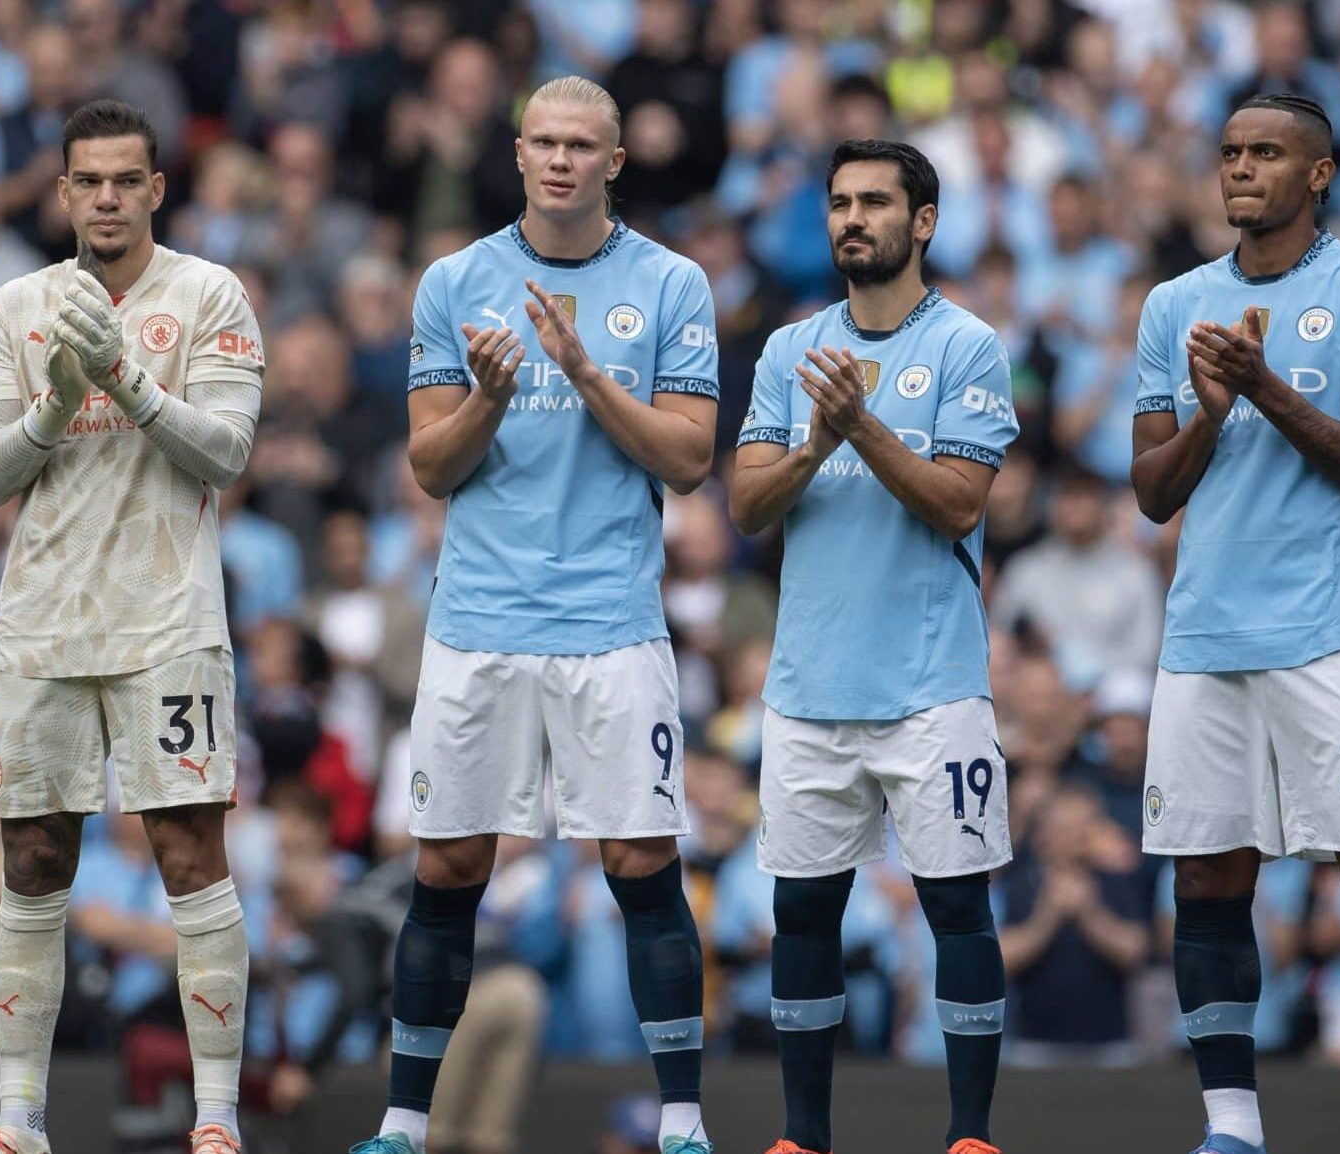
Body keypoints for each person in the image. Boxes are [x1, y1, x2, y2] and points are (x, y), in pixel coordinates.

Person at [351, 75, 720, 1154]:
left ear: (614, 160)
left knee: (640, 862)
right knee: (446, 867)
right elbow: (429, 466)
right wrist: (490, 398)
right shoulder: (456, 280)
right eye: (543, 142)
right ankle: (403, 1122)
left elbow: (690, 459)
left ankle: (683, 1121)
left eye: (580, 145)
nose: (559, 160)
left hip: (610, 619)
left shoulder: (668, 283)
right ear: (516, 153)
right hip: (478, 618)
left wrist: (583, 375)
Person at [1130, 94, 1340, 1154]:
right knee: (1207, 875)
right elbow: (1148, 490)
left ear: (1315, 173)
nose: (1239, 169)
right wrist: (1211, 414)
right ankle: (1230, 1126)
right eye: (1227, 153)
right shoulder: (1173, 302)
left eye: (1264, 153)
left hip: (1332, 631)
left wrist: (1261, 388)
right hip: (1203, 637)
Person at [0, 98, 265, 1154]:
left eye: (124, 179)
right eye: (86, 179)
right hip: (43, 623)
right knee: (35, 859)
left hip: (168, 618)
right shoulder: (14, 305)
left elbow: (226, 451)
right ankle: (19, 1121)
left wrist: (128, 381)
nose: (105, 196)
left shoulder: (208, 293)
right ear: (61, 192)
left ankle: (216, 1116)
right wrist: (52, 403)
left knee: (188, 851)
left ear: (155, 189)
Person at [728, 139, 1018, 1154]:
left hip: (933, 687)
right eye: (839, 203)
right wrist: (815, 437)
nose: (852, 219)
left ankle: (969, 1135)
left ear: (922, 221)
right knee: (801, 915)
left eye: (875, 203)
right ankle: (800, 1136)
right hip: (808, 686)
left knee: (956, 910)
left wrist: (860, 430)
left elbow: (959, 501)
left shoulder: (967, 348)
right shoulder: (786, 349)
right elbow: (746, 505)